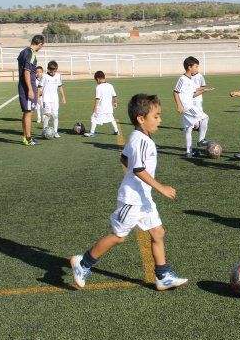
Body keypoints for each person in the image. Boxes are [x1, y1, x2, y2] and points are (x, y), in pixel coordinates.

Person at [70, 94, 188, 291]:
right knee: (119, 236)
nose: (160, 120)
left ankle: (163, 276)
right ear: (141, 119)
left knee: (158, 232)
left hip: (143, 197)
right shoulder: (140, 140)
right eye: (156, 116)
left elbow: (125, 159)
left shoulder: (140, 137)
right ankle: (82, 263)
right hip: (132, 199)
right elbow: (138, 169)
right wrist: (161, 188)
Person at [173, 56, 214, 157]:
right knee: (205, 117)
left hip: (187, 106)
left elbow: (192, 94)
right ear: (189, 67)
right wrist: (179, 105)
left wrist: (204, 90)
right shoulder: (182, 79)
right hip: (186, 106)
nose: (197, 69)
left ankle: (189, 152)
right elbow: (175, 92)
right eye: (196, 66)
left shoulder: (191, 80)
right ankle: (201, 141)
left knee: (189, 128)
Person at [17, 35, 44, 145]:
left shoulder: (23, 51)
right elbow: (27, 71)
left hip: (25, 85)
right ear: (40, 44)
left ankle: (25, 137)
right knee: (28, 112)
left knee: (28, 112)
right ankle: (28, 139)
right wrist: (30, 89)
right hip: (27, 86)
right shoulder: (31, 53)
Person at [84, 71, 119, 137]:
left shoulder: (98, 87)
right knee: (111, 119)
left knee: (93, 118)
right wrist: (115, 103)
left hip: (101, 108)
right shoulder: (110, 85)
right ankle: (116, 131)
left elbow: (97, 99)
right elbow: (114, 95)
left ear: (97, 79)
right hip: (109, 108)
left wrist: (94, 109)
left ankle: (92, 132)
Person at [40, 61, 66, 138]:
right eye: (52, 71)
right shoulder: (44, 76)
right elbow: (39, 87)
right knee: (48, 115)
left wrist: (63, 97)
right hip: (46, 99)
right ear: (48, 69)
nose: (54, 72)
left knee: (55, 116)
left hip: (55, 99)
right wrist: (37, 98)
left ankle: (55, 132)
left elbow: (60, 86)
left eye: (55, 71)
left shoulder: (58, 76)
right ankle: (44, 131)